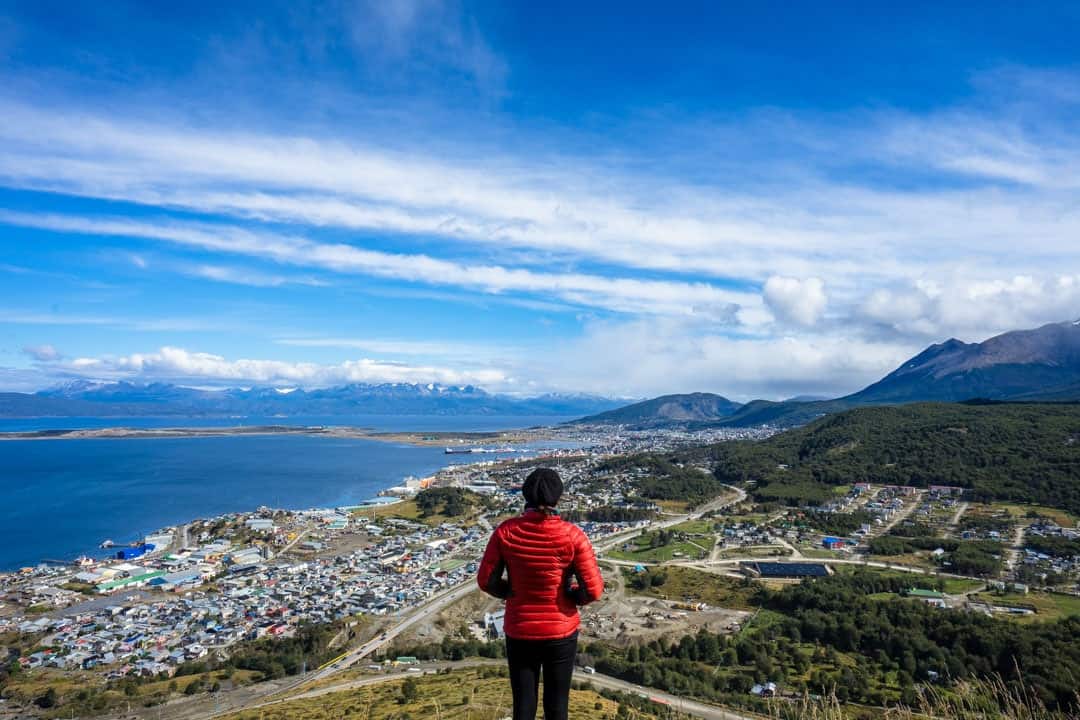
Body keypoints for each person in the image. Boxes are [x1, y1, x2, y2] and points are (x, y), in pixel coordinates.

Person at [476, 467, 604, 720]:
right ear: (558, 497)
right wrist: (569, 596)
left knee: (523, 706)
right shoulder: (573, 536)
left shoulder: (506, 532)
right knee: (557, 706)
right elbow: (594, 591)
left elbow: (486, 581)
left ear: (526, 496)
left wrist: (511, 593)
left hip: (520, 628)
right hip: (561, 631)